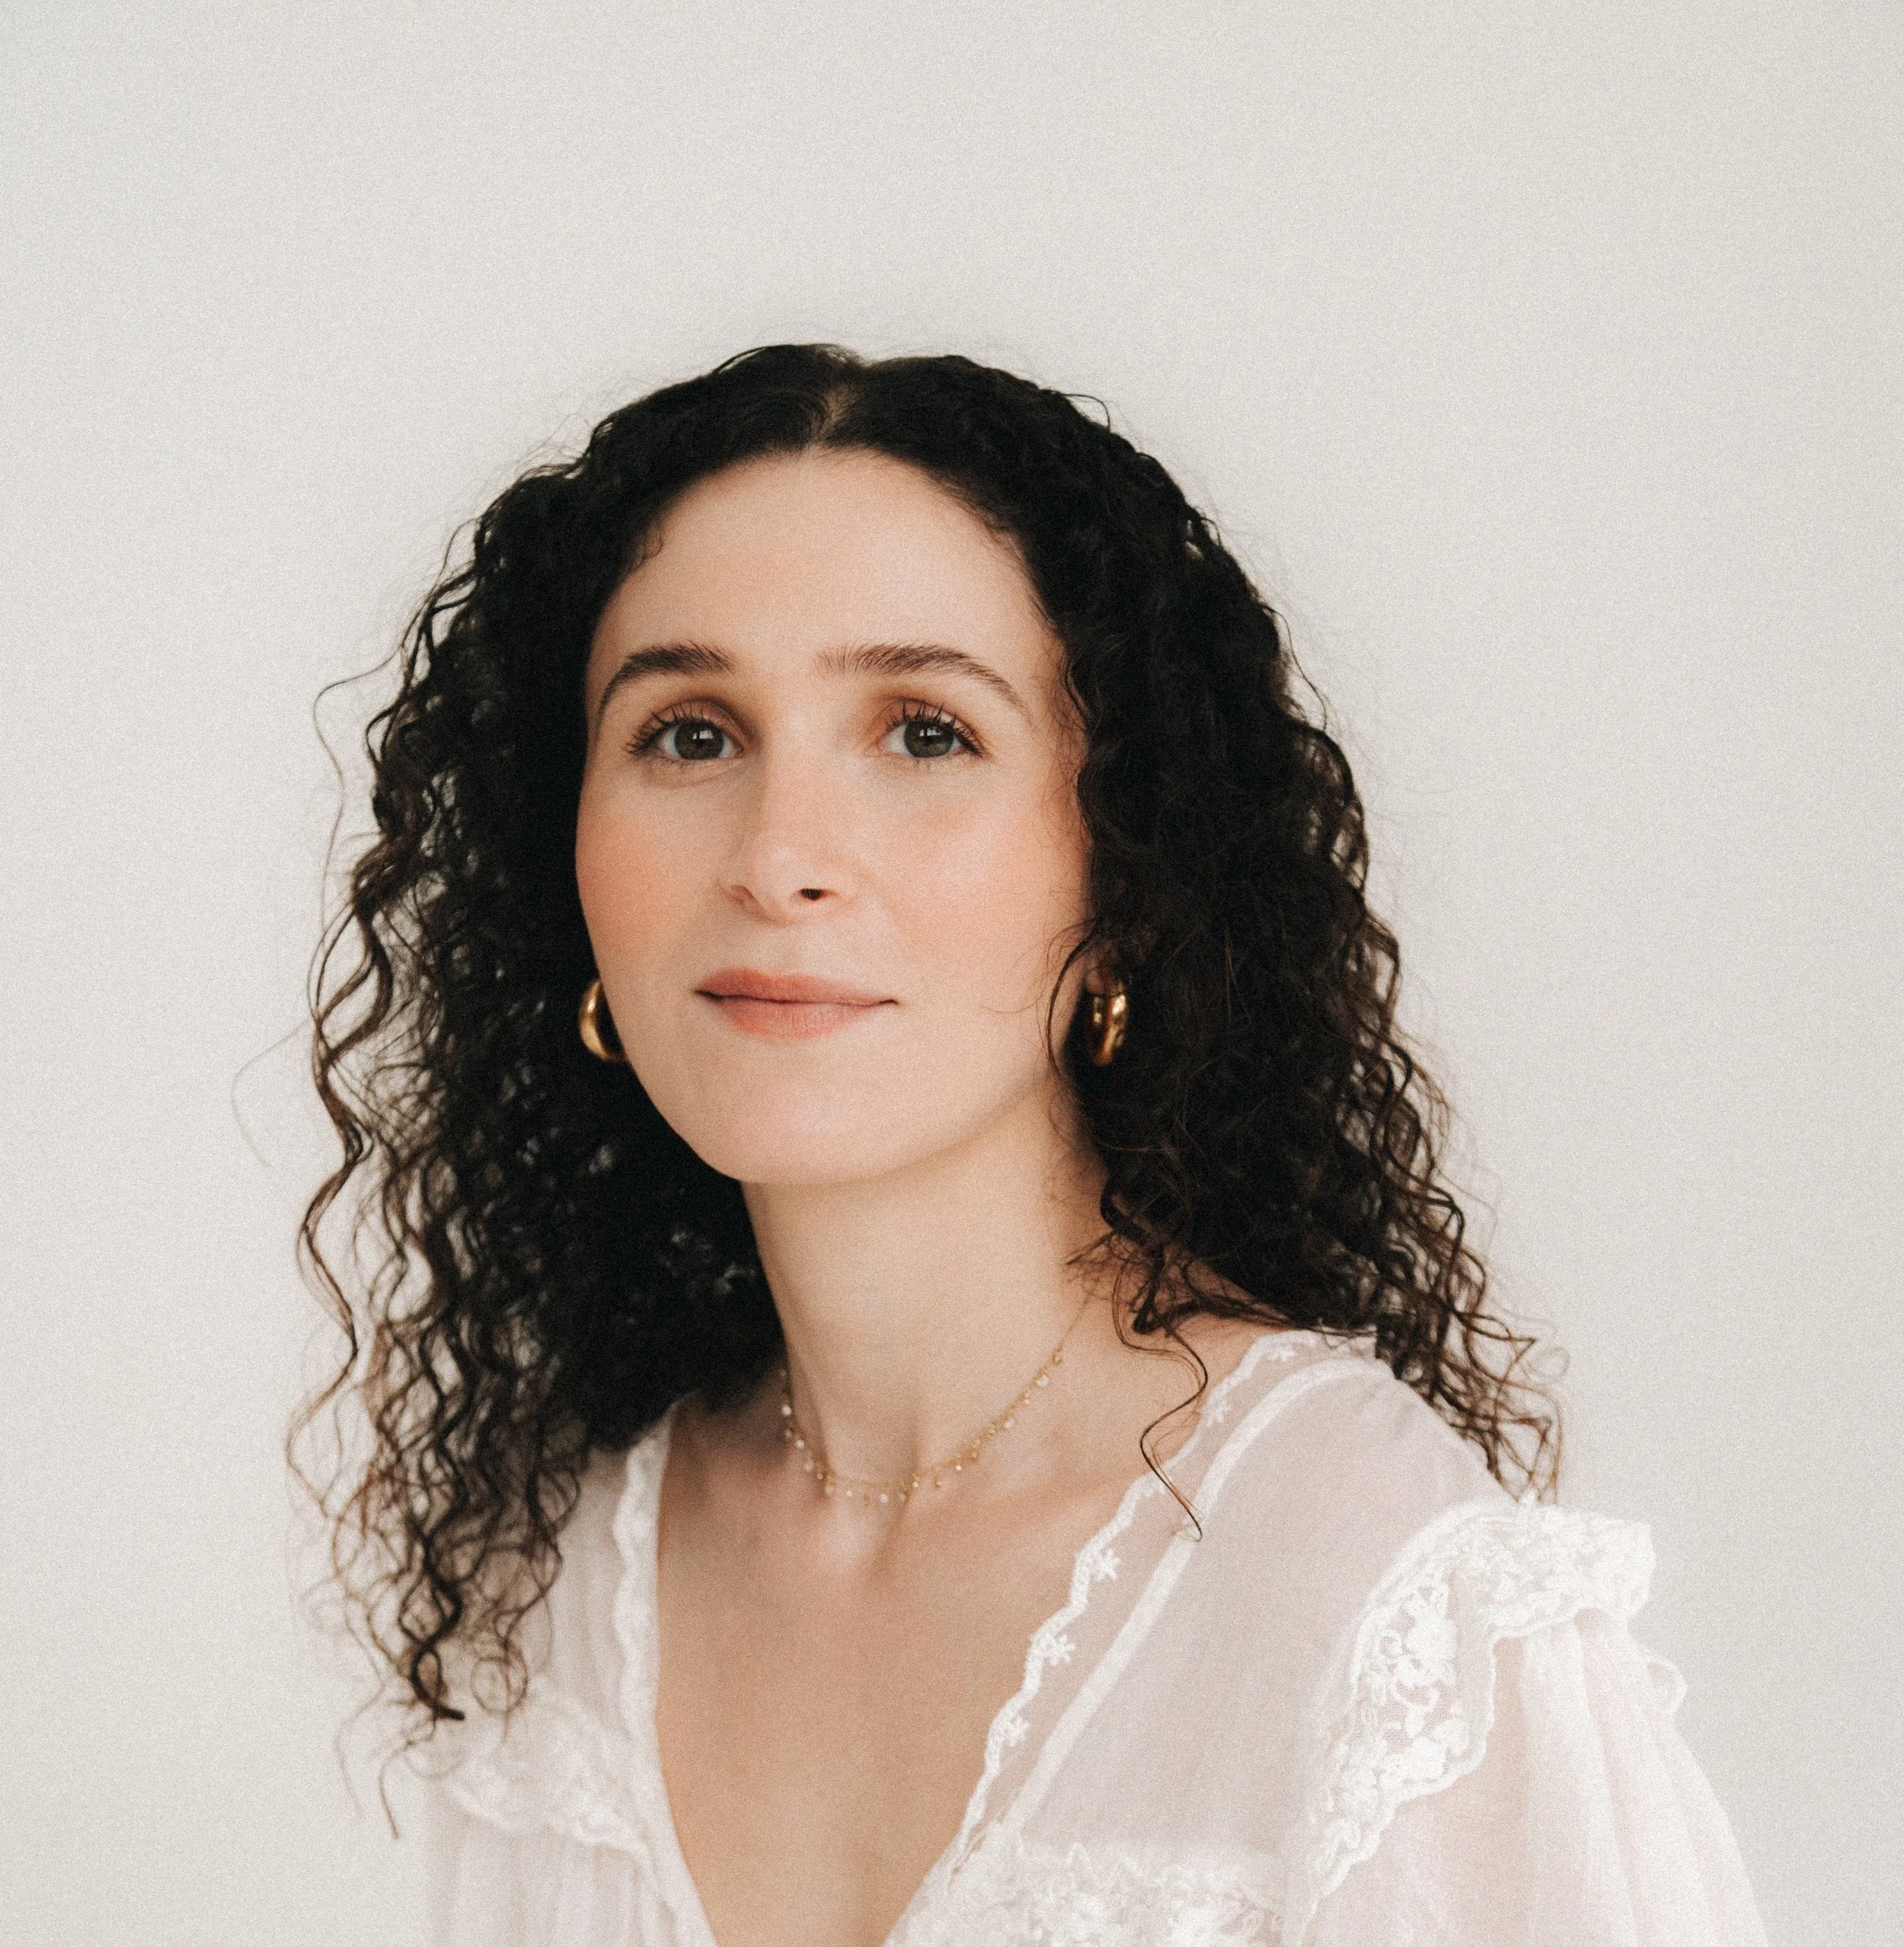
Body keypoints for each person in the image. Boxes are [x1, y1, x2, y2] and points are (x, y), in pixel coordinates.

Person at [300, 344, 1769, 1946]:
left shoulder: (1376, 1606)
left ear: (1121, 864)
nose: (779, 857)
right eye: (690, 733)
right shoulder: (584, 1569)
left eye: (924, 732)